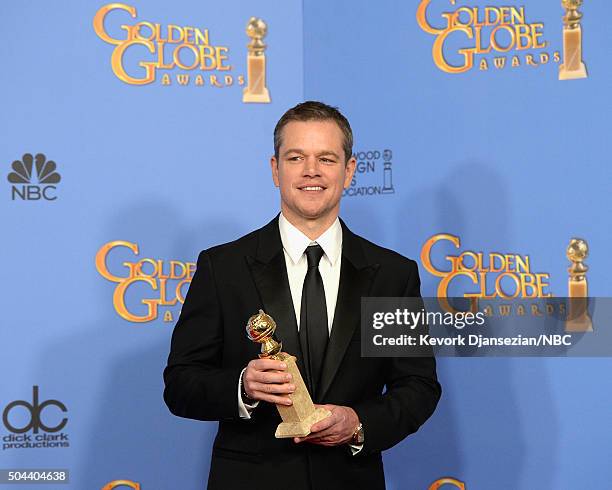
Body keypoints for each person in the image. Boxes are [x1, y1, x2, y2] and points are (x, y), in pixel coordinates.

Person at [163, 101, 441, 490]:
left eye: (326, 158)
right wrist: (243, 386)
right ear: (276, 170)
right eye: (296, 157)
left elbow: (417, 387)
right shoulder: (222, 267)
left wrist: (358, 424)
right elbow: (180, 384)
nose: (311, 170)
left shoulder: (392, 275)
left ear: (350, 171)